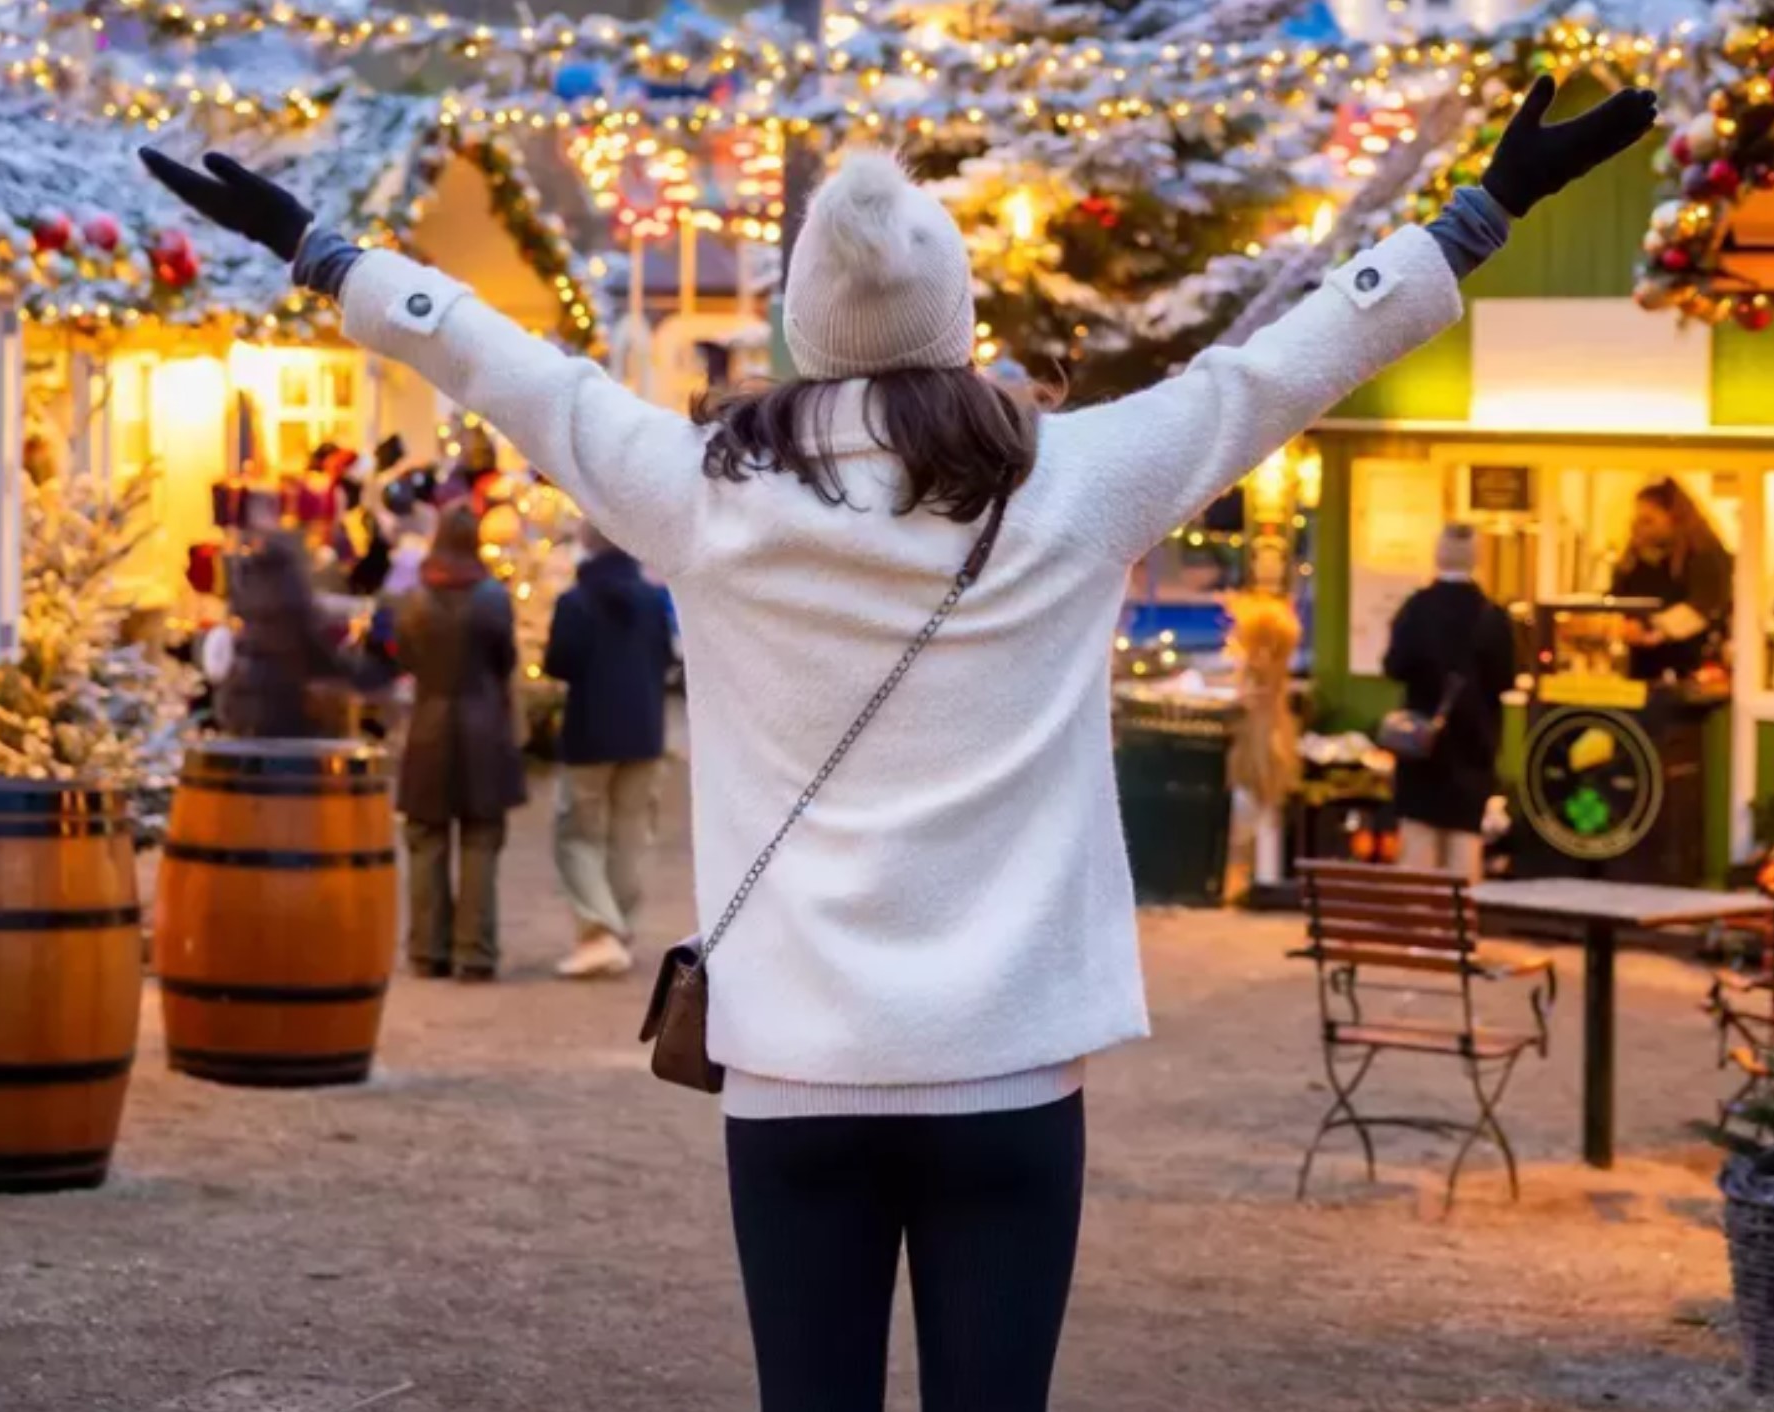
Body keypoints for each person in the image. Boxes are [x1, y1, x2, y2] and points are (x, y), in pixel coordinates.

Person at [142, 76, 1652, 1411]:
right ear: (959, 323)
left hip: (795, 1071)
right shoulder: (1076, 483)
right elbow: (1273, 373)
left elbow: (514, 371)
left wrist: (324, 252)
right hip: (1009, 1072)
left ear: (803, 325)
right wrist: (1477, 214)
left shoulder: (705, 491)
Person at [391, 506, 528, 981]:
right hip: (483, 727)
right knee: (480, 839)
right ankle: (475, 951)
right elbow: (505, 659)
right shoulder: (493, 598)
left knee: (426, 839)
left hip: (429, 727)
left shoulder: (414, 599)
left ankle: (427, 950)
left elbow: (406, 658)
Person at [544, 522, 673, 980]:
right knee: (629, 837)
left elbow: (558, 662)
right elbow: (666, 657)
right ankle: (619, 930)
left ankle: (599, 931)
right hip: (644, 732)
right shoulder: (653, 600)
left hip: (590, 732)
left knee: (578, 834)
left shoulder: (574, 602)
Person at [1383, 524, 1515, 881]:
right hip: (1472, 749)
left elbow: (1394, 666)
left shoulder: (1416, 608)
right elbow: (1505, 680)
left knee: (1418, 852)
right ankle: (1458, 917)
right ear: (1477, 558)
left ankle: (1418, 917)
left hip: (1421, 748)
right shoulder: (1491, 616)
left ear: (1438, 554)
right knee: (1464, 851)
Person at [218, 494, 348, 738]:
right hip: (283, 697)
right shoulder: (291, 592)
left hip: (247, 697)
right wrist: (348, 670)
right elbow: (311, 640)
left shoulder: (251, 587)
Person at [1609, 476, 1733, 682]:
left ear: (1675, 518)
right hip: (1641, 669)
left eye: (1648, 520)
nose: (1639, 528)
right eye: (1637, 521)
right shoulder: (1635, 558)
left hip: (1694, 670)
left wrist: (1653, 628)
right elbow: (1617, 598)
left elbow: (1704, 606)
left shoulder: (1705, 555)